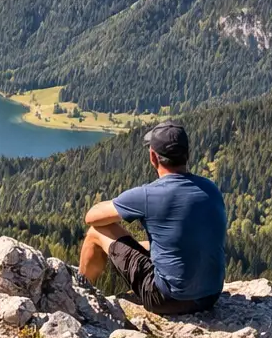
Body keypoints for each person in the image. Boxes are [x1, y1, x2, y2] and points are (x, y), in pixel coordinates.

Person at [78, 121, 226, 314]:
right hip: (210, 296)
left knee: (96, 232)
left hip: (166, 299)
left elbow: (92, 217)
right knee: (153, 244)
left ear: (153, 157)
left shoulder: (149, 194)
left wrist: (125, 203)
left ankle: (80, 292)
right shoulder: (210, 188)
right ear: (187, 155)